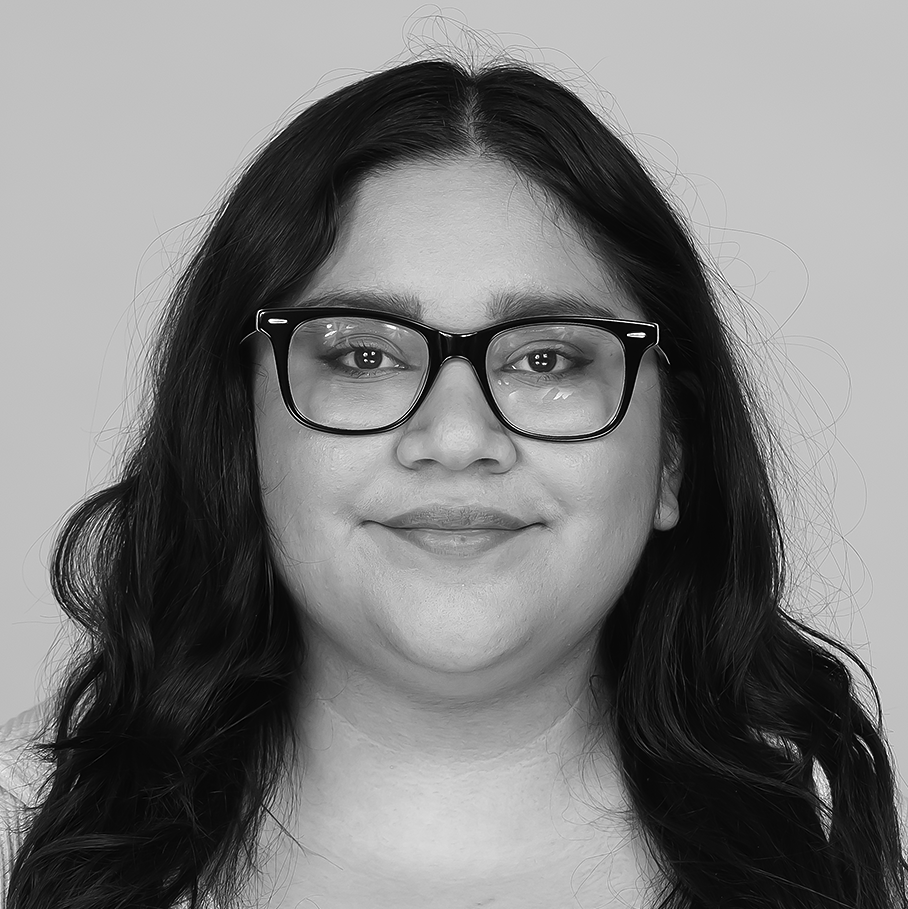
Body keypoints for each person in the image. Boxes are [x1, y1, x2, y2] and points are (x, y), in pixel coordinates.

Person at [1, 55, 906, 909]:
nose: (459, 436)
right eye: (363, 355)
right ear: (237, 438)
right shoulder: (20, 838)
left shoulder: (838, 860)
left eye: (546, 358)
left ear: (672, 456)